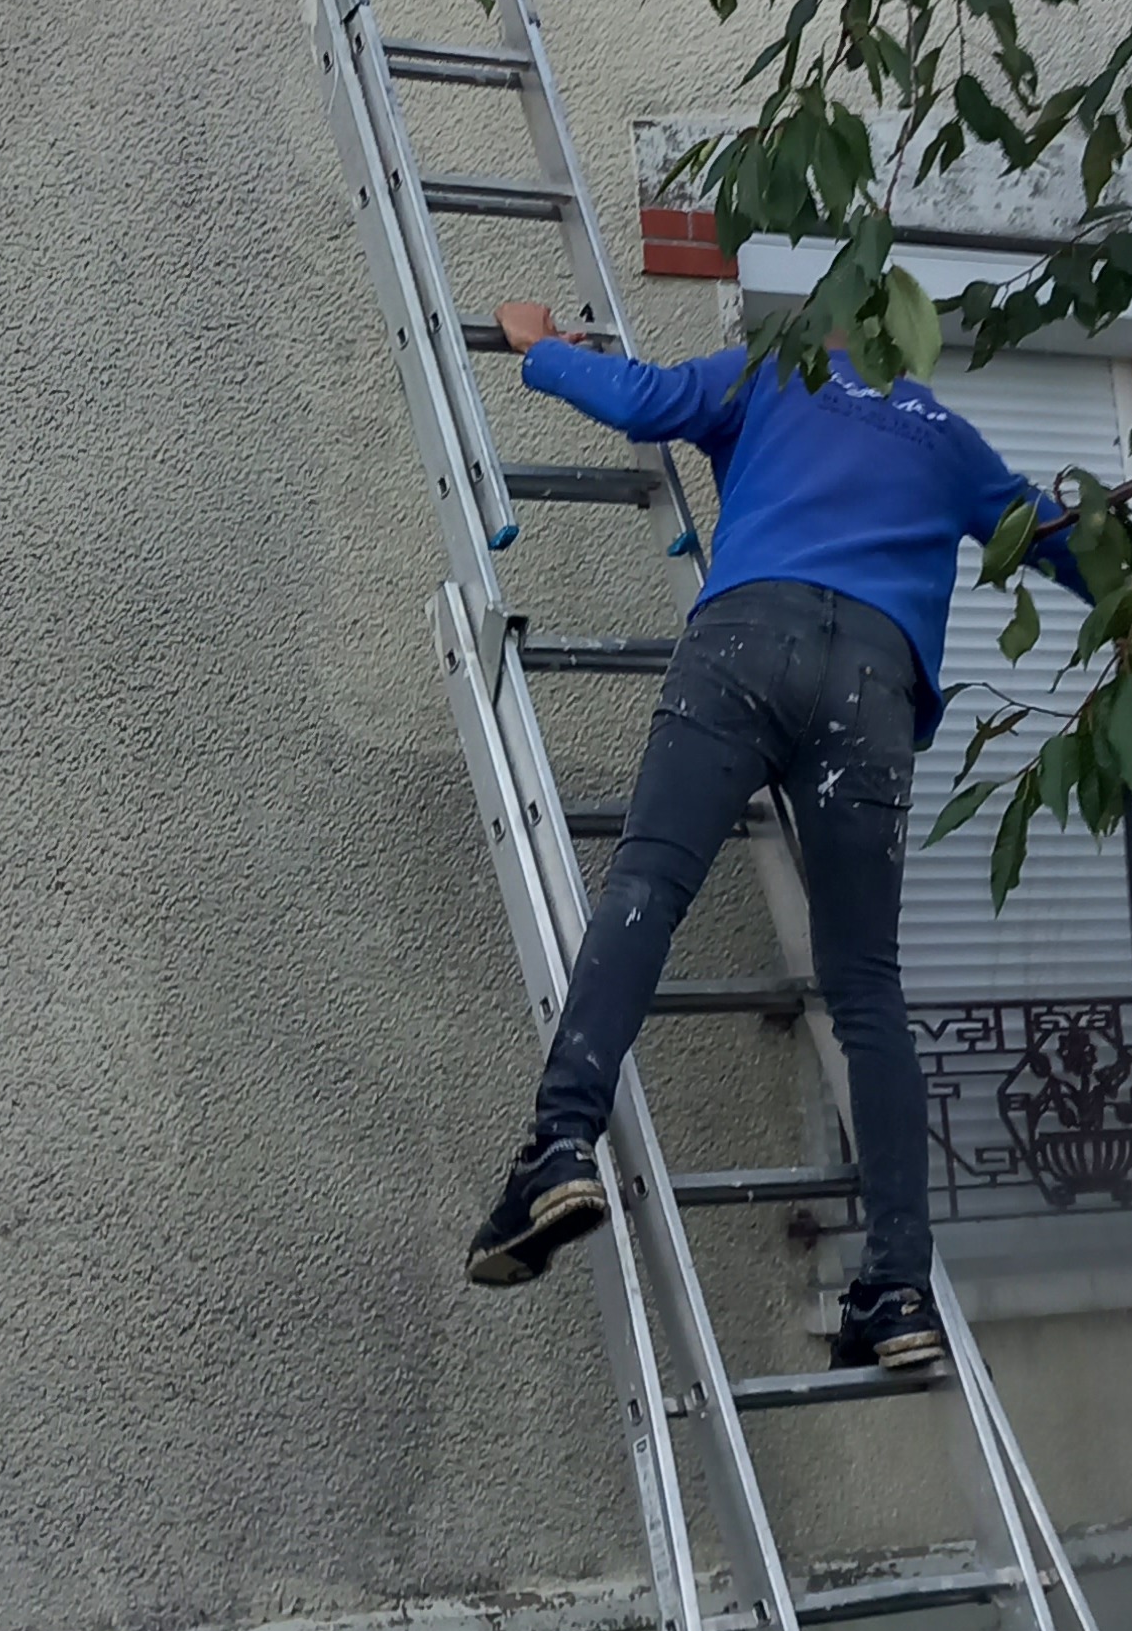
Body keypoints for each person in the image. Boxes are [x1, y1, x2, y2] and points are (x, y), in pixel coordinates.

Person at [466, 299, 1091, 1369]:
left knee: (648, 888)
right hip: (871, 689)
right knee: (866, 985)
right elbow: (1058, 542)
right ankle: (897, 1289)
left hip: (747, 644)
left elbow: (647, 401)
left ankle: (563, 1142)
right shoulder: (945, 436)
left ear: (816, 333)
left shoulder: (769, 372)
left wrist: (543, 348)